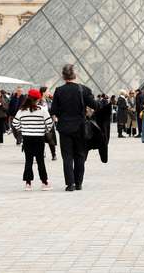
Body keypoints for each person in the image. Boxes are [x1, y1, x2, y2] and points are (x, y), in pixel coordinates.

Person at [50, 64, 97, 192]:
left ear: (63, 76)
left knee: (67, 157)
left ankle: (70, 184)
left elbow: (53, 110)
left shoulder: (59, 90)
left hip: (64, 128)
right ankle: (79, 183)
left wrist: (61, 115)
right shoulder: (83, 89)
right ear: (75, 75)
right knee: (80, 155)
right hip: (80, 127)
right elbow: (95, 105)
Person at [13, 89, 55, 191]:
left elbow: (15, 124)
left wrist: (23, 129)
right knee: (40, 161)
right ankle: (44, 182)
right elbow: (49, 124)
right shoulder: (42, 110)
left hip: (27, 138)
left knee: (28, 160)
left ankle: (28, 183)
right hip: (39, 138)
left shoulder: (21, 110)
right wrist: (43, 130)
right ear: (37, 99)